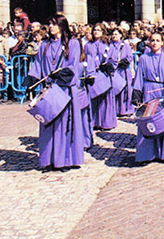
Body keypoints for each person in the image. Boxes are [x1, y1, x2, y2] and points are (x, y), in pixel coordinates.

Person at [24, 14, 85, 171]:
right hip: (49, 90)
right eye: (49, 24)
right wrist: (31, 78)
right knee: (48, 125)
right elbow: (38, 64)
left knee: (64, 126)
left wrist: (63, 74)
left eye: (53, 24)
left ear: (61, 26)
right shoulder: (44, 45)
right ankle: (48, 160)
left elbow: (74, 64)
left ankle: (65, 159)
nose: (50, 27)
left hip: (64, 89)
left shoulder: (72, 44)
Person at [132, 32, 164, 163]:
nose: (154, 43)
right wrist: (137, 93)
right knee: (149, 122)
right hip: (149, 92)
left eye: (157, 40)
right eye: (152, 40)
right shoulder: (143, 58)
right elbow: (139, 76)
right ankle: (148, 154)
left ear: (162, 43)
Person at [85, 23, 117, 130]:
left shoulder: (108, 45)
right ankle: (94, 122)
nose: (96, 32)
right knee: (94, 99)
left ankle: (105, 122)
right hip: (92, 74)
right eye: (94, 30)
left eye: (99, 30)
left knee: (105, 99)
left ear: (103, 32)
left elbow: (114, 59)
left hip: (104, 74)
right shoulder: (88, 45)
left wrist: (109, 66)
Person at [106, 28, 134, 116]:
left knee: (123, 90)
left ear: (121, 35)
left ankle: (124, 109)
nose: (114, 36)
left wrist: (122, 62)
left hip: (122, 70)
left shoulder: (125, 45)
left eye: (116, 34)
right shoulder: (109, 45)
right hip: (112, 70)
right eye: (113, 34)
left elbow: (130, 57)